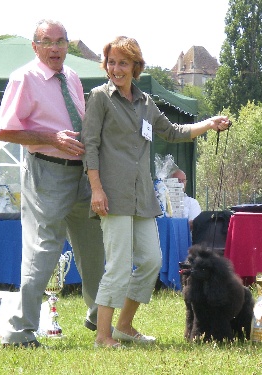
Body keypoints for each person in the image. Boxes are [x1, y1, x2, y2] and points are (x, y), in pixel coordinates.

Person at [81, 36, 231, 348]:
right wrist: (96, 189)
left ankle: (124, 326)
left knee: (151, 261)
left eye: (123, 62)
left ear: (136, 66)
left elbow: (173, 133)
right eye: (111, 62)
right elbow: (90, 147)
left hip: (143, 198)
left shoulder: (146, 102)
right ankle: (103, 336)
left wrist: (209, 123)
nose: (116, 68)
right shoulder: (98, 98)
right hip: (112, 196)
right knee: (119, 266)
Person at [0, 19, 105, 348]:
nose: (55, 48)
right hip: (46, 171)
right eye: (48, 41)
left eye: (61, 41)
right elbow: (4, 131)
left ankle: (101, 320)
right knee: (42, 252)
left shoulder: (71, 76)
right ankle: (19, 332)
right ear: (35, 46)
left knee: (94, 248)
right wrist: (50, 138)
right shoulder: (23, 78)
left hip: (81, 174)